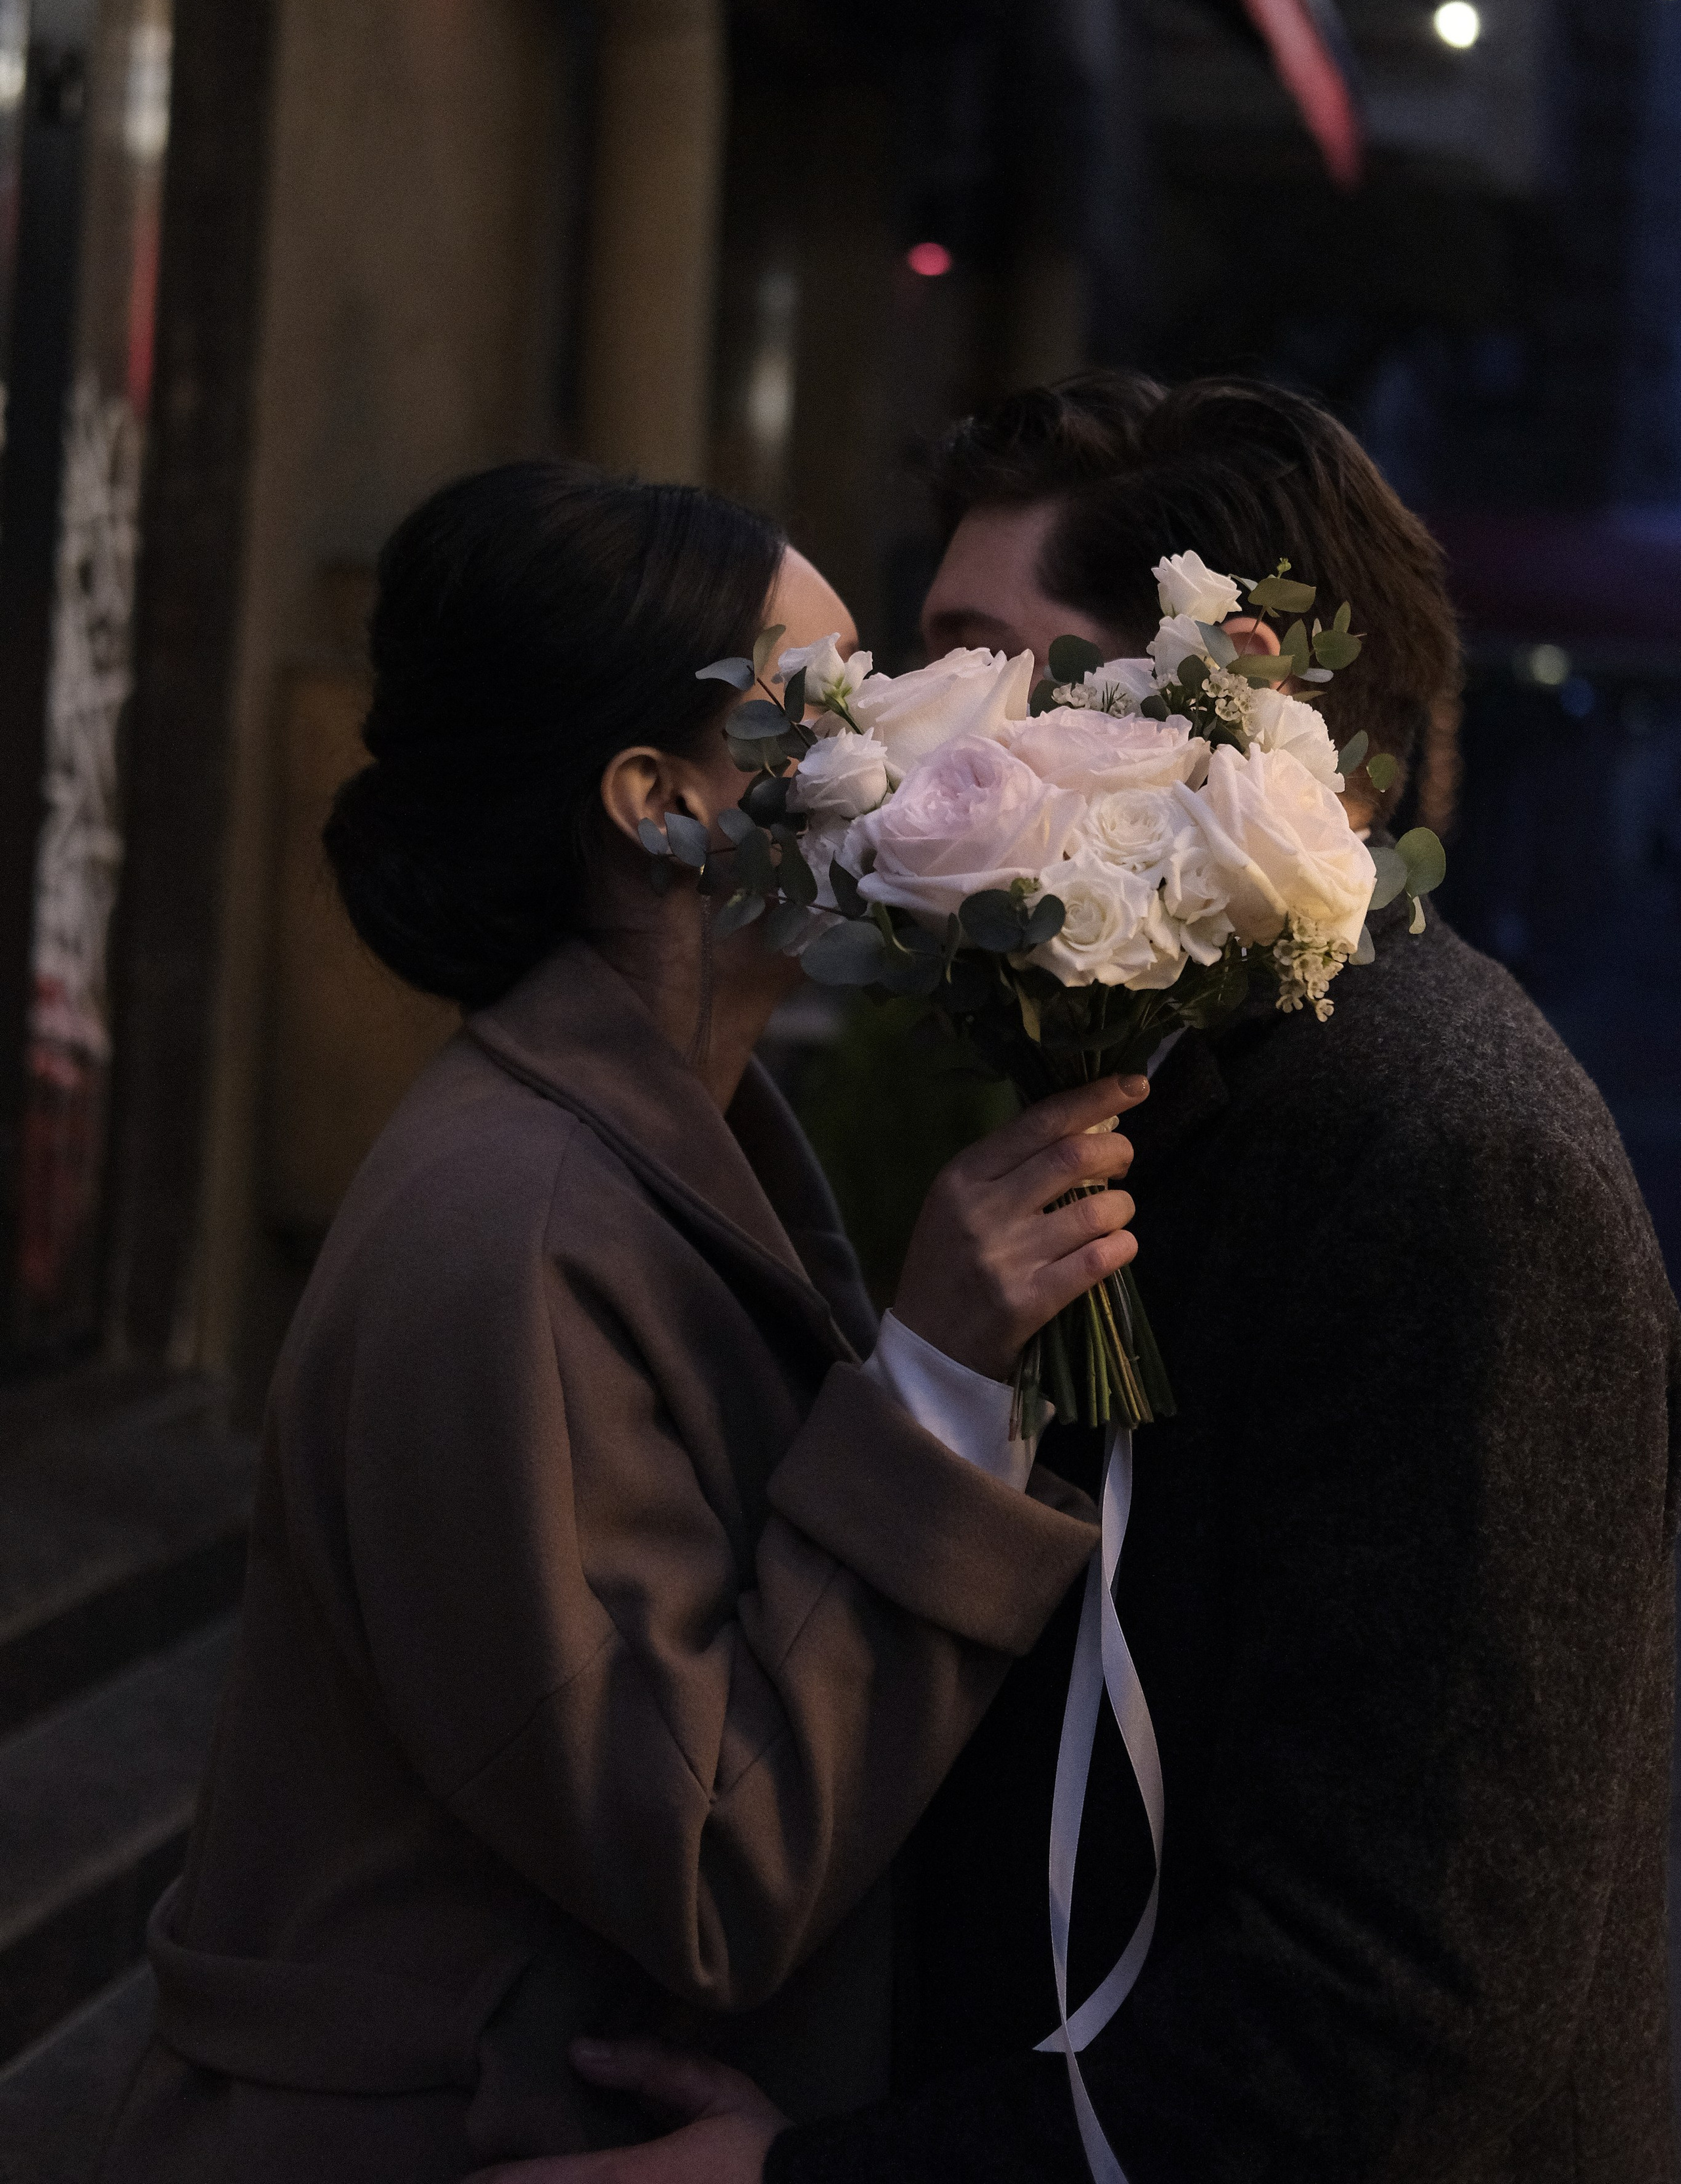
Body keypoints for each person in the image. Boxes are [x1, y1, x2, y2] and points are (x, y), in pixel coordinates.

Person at [513, 376, 1681, 2184]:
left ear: (1212, 708)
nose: (899, 749)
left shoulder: (1448, 1155)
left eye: (977, 670)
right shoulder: (1169, 1074)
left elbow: (1390, 2015)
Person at [97, 461, 1156, 2182]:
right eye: (827, 704)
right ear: (662, 804)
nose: (910, 743)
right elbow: (708, 1858)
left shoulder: (665, 1134)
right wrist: (938, 1376)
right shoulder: (512, 1228)